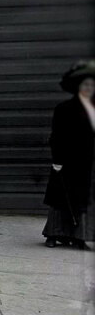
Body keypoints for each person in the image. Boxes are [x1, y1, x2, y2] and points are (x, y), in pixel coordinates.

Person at [43, 60, 95, 249]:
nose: (89, 88)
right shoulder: (64, 109)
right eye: (85, 84)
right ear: (78, 87)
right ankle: (53, 234)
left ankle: (78, 237)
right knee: (60, 199)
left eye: (92, 85)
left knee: (82, 201)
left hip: (86, 163)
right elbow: (56, 136)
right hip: (66, 161)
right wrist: (57, 160)